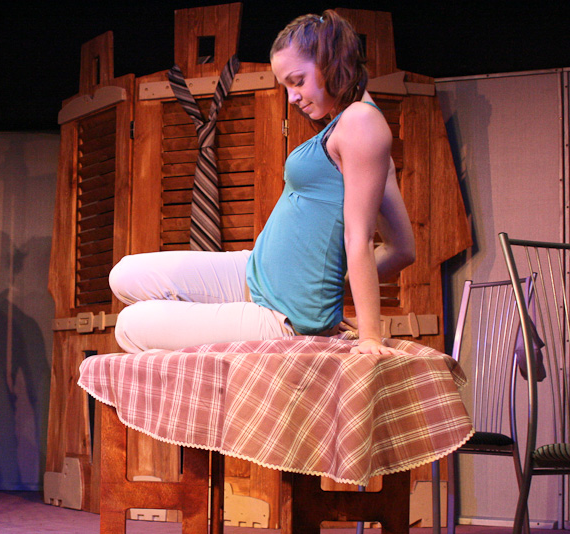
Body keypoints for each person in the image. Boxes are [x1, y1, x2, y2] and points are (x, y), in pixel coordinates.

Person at [110, 10, 415, 356]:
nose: (292, 97)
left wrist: (369, 336)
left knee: (130, 325)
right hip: (254, 271)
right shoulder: (351, 125)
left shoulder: (362, 121)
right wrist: (328, 290)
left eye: (298, 81)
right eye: (287, 86)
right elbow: (403, 249)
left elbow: (359, 237)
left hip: (280, 313)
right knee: (124, 274)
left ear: (330, 63)